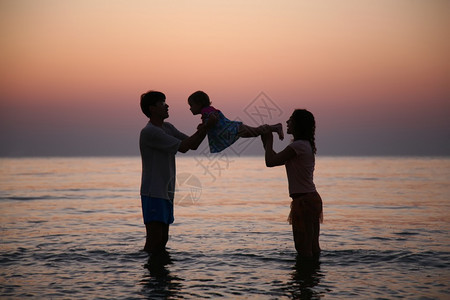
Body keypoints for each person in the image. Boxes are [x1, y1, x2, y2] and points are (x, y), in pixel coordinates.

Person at [139, 90, 215, 255]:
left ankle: (160, 277)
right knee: (154, 239)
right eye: (162, 103)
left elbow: (192, 144)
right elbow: (184, 146)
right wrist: (206, 126)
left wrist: (206, 127)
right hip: (153, 193)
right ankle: (149, 276)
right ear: (152, 108)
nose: (167, 106)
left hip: (165, 192)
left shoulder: (167, 127)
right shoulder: (150, 132)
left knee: (163, 239)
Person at [261, 109, 323, 259]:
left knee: (303, 248)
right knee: (312, 247)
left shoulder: (297, 146)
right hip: (310, 198)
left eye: (291, 120)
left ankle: (304, 280)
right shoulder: (303, 145)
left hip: (304, 202)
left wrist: (269, 139)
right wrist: (267, 140)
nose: (287, 122)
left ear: (298, 125)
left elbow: (270, 162)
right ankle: (313, 278)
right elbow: (274, 157)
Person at [188, 91, 284, 153]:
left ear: (199, 104)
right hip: (234, 129)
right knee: (256, 131)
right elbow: (212, 120)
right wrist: (203, 125)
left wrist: (204, 127)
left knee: (256, 131)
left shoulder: (206, 111)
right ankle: (274, 127)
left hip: (234, 129)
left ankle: (275, 127)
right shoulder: (207, 111)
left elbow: (213, 119)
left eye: (191, 105)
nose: (190, 108)